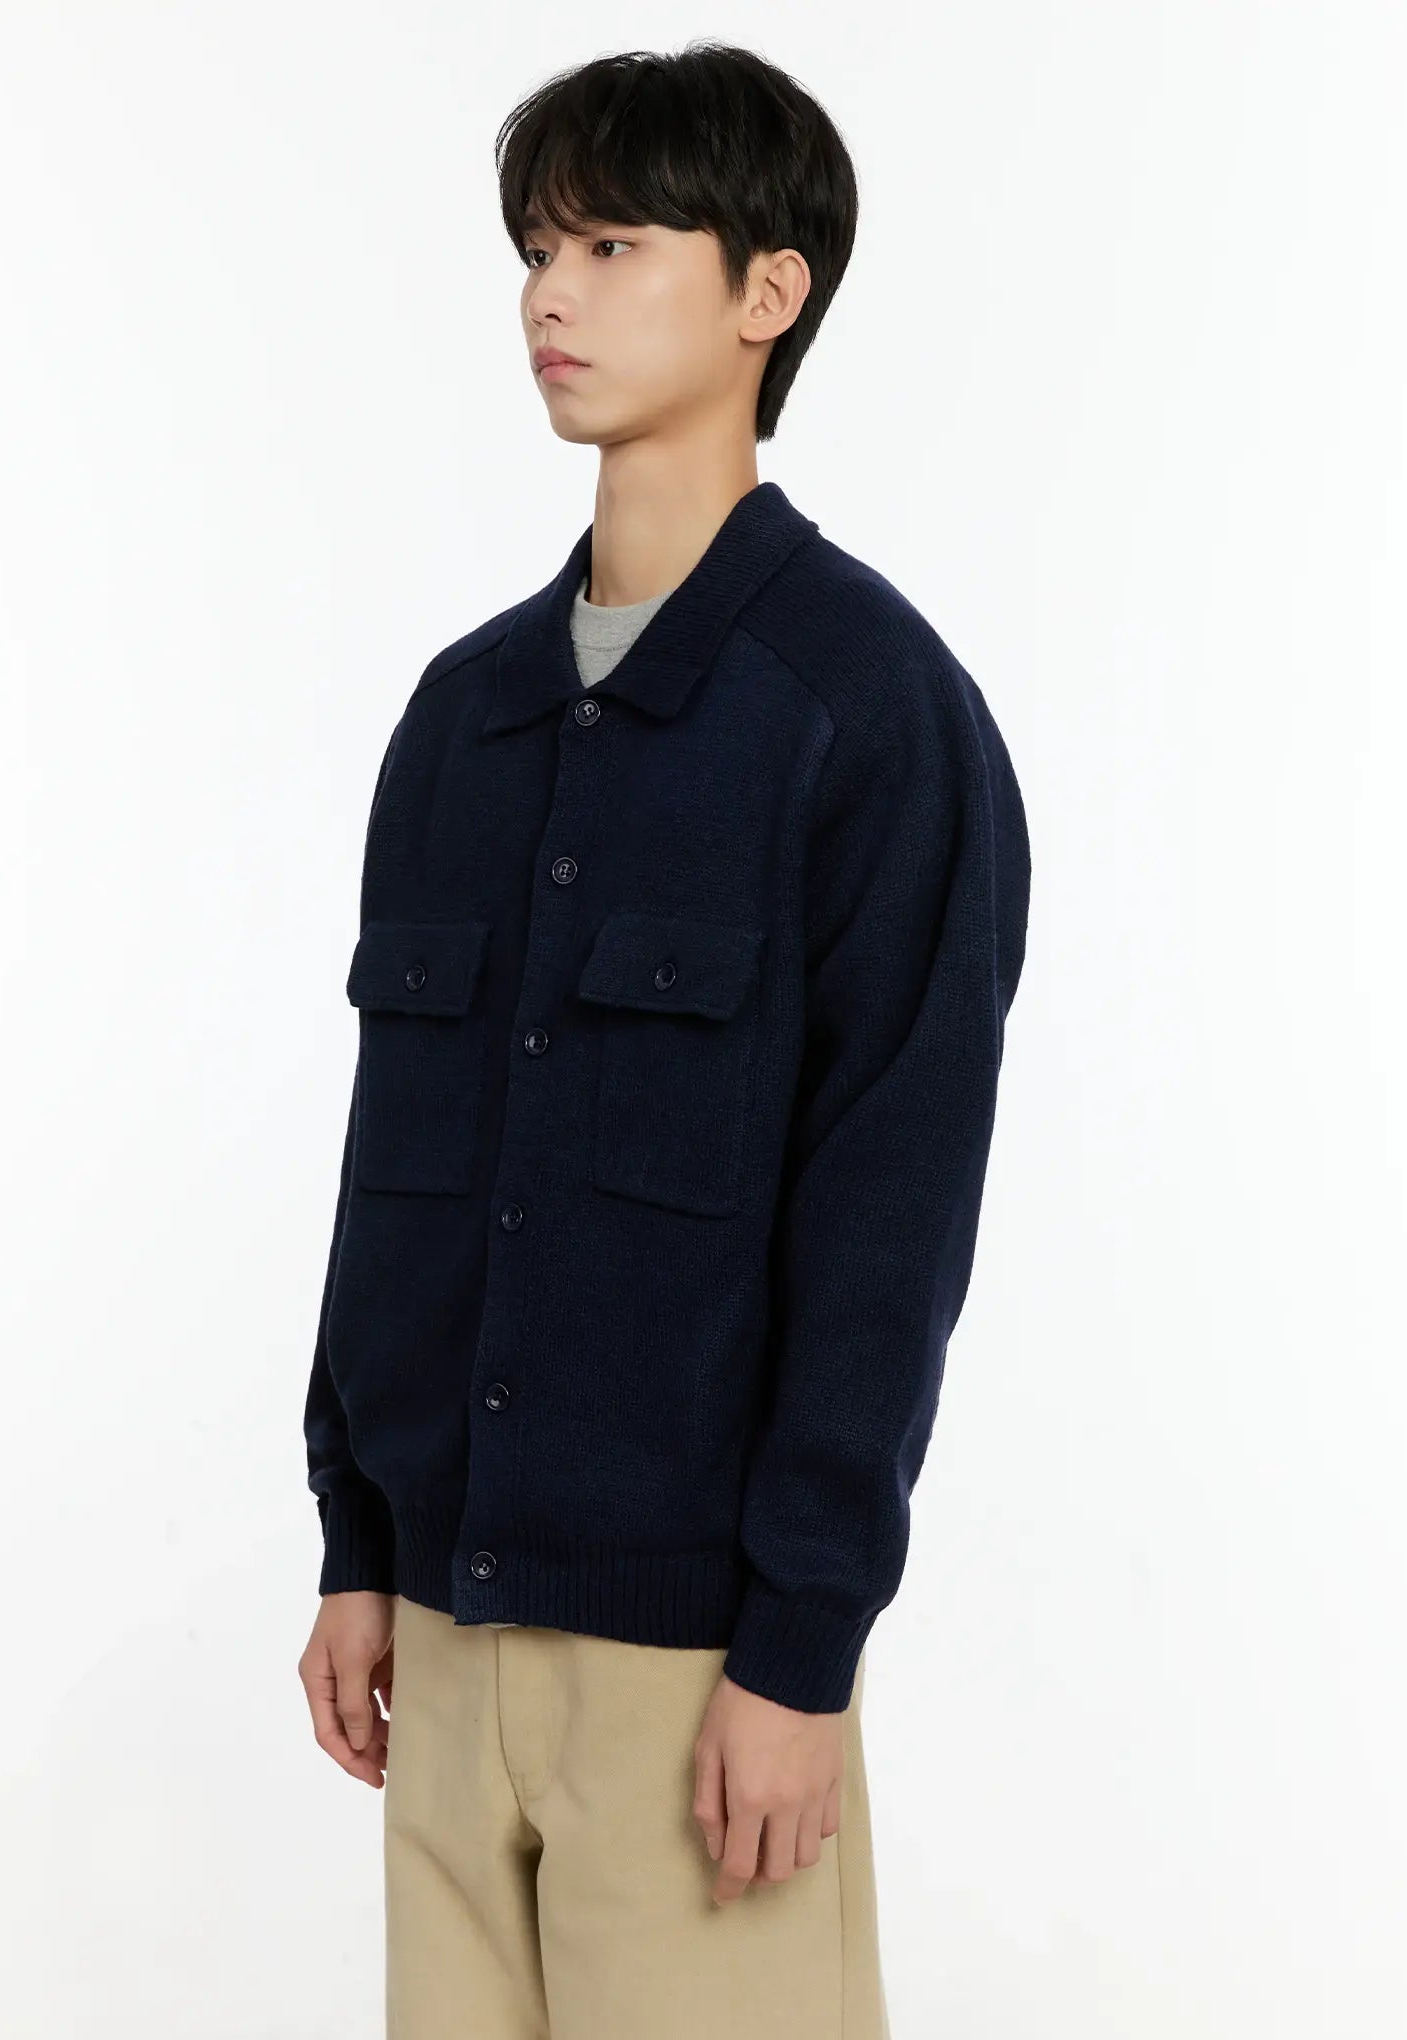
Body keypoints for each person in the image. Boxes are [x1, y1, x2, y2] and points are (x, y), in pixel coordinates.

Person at [296, 40, 1030, 2040]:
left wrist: (800, 1648)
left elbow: (891, 1215)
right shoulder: (462, 719)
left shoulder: (868, 714)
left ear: (769, 289)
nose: (550, 294)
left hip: (700, 1680)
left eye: (612, 246)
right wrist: (357, 1541)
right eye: (537, 251)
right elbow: (394, 1174)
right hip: (438, 1649)